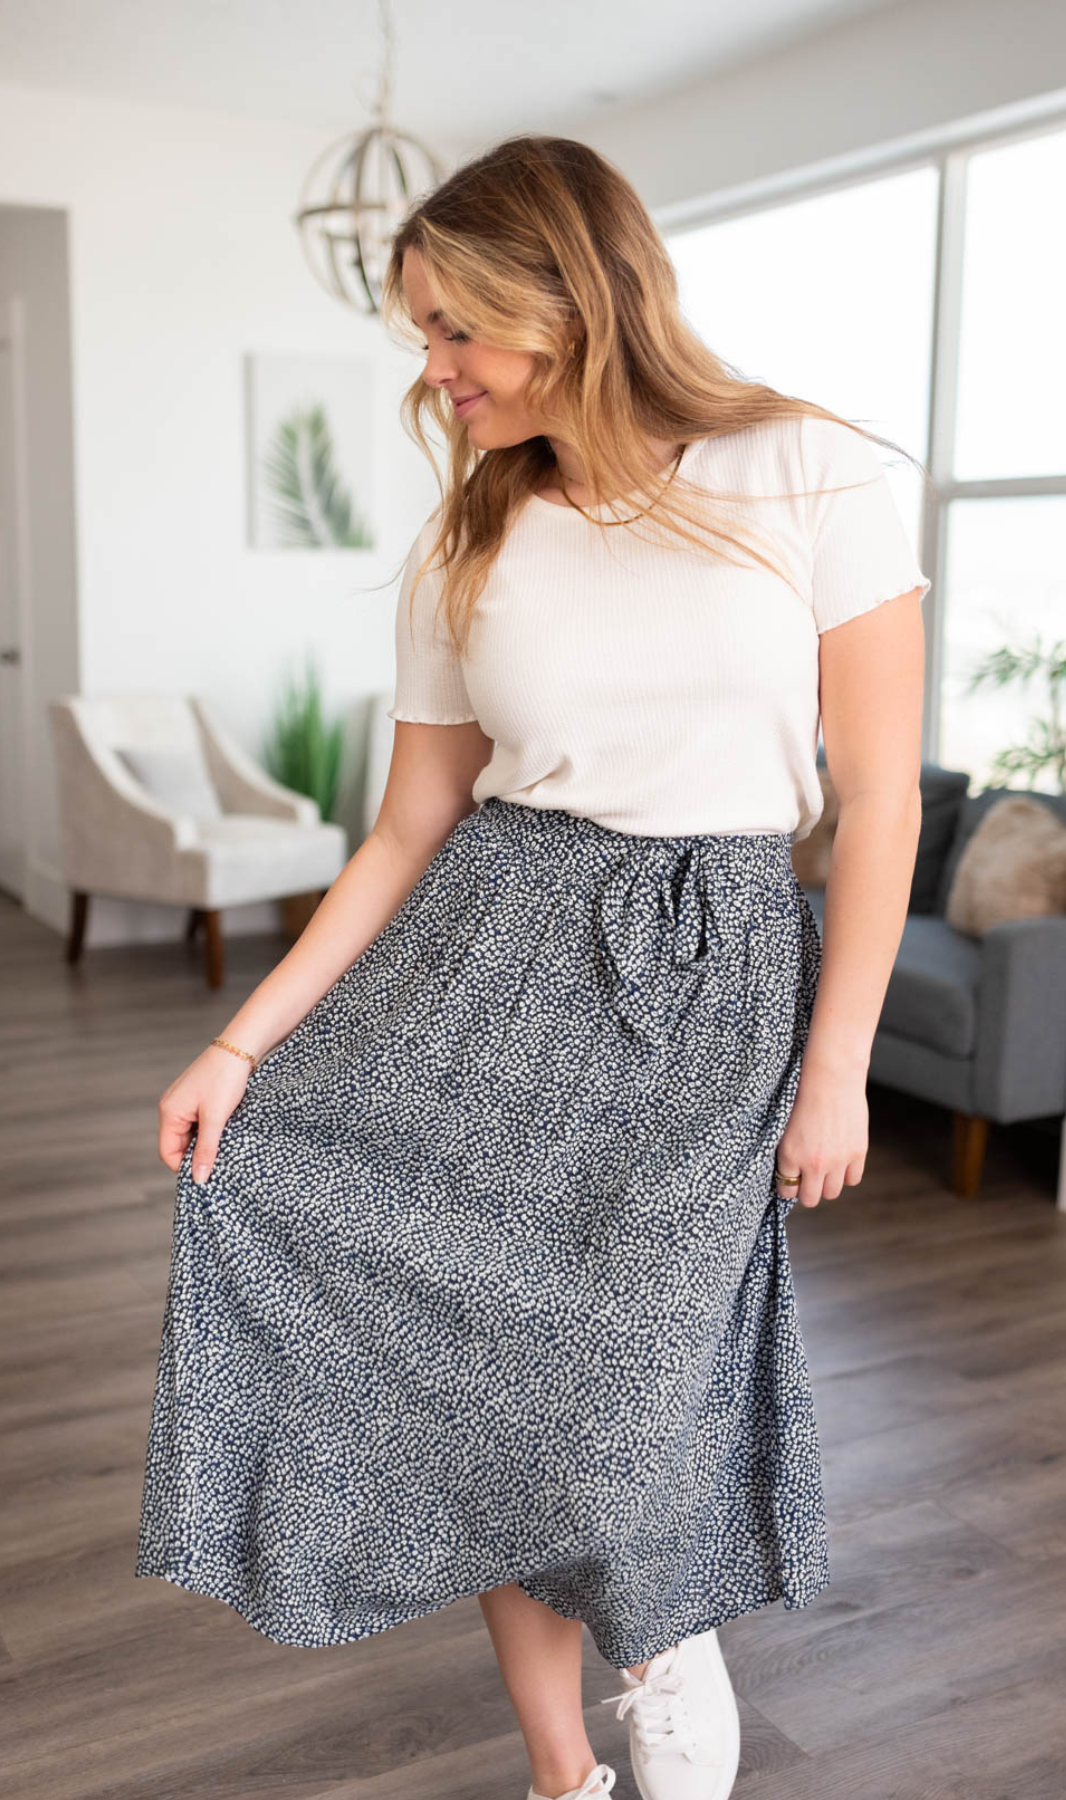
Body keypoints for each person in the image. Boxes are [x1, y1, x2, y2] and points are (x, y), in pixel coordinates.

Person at [136, 133, 929, 1800]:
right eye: (419, 334)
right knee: (473, 1366)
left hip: (712, 986)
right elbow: (407, 828)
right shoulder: (466, 543)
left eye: (452, 330)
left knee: (634, 1395)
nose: (431, 375)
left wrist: (838, 1061)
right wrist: (242, 1045)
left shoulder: (813, 473)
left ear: (567, 297)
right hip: (486, 966)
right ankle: (564, 1771)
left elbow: (876, 800)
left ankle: (662, 1663)